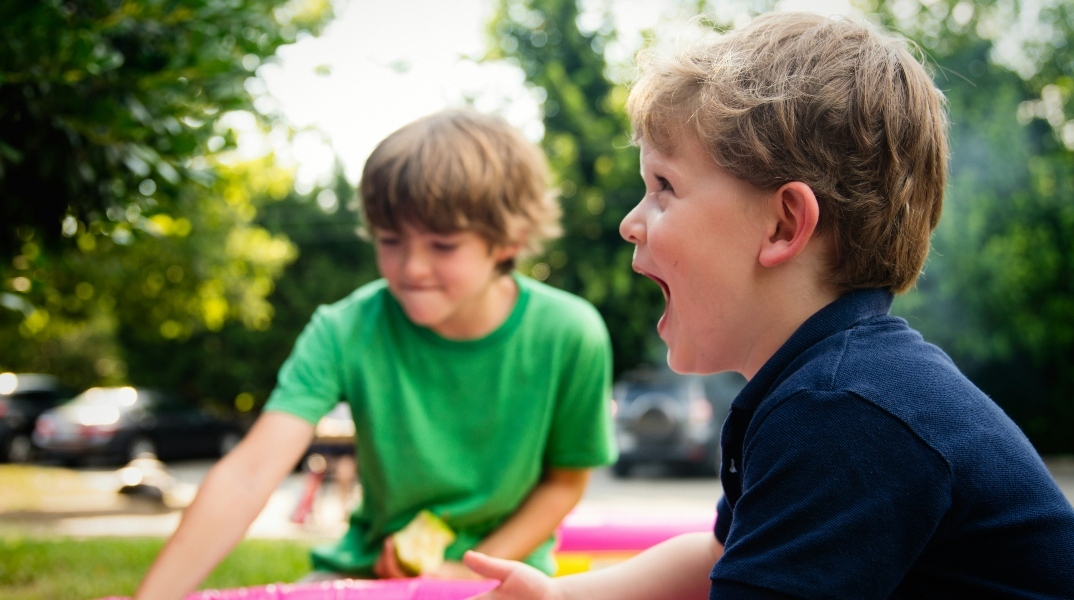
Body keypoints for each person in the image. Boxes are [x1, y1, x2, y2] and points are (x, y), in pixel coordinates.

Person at [463, 12, 1074, 599]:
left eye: (664, 187)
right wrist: (563, 596)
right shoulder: (824, 386)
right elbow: (717, 559)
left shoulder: (842, 413)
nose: (629, 223)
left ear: (784, 225)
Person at [134, 109, 617, 599]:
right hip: (367, 574)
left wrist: (472, 569)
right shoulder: (344, 328)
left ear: (508, 241)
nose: (412, 267)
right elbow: (249, 472)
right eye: (391, 241)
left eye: (443, 245)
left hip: (508, 576)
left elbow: (565, 481)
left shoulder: (570, 333)